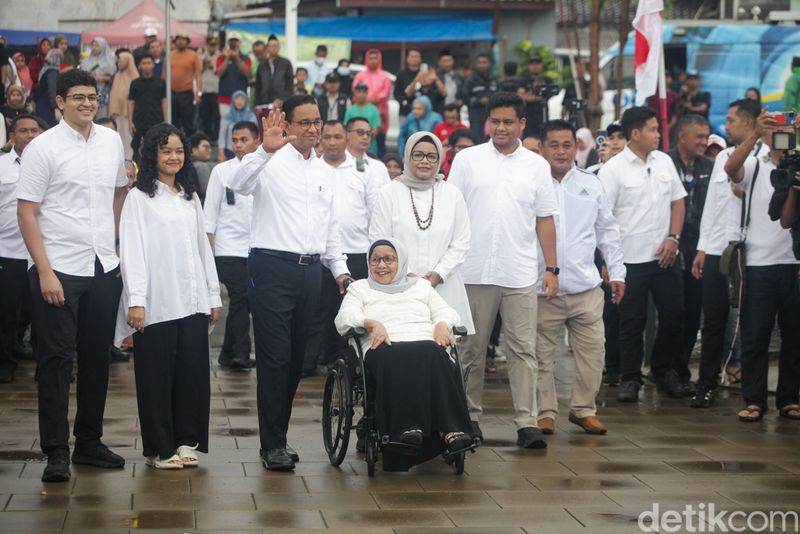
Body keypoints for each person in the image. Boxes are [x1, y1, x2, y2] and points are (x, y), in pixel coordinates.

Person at [16, 69, 129, 482]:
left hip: (103, 266)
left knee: (98, 358)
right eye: (78, 97)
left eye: (92, 96)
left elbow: (119, 191)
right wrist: (44, 271)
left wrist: (116, 245)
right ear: (60, 102)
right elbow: (27, 211)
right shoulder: (42, 148)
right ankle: (55, 450)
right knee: (56, 361)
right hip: (59, 266)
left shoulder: (111, 141)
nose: (87, 103)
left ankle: (88, 442)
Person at [228, 96, 350, 471]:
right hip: (271, 268)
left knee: (296, 361)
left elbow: (330, 228)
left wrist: (340, 269)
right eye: (304, 122)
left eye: (317, 122)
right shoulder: (269, 160)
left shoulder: (325, 171)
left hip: (310, 272)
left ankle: (278, 437)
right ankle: (271, 445)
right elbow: (238, 184)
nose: (313, 129)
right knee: (275, 358)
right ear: (289, 125)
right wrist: (264, 150)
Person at [449, 92, 559, 448]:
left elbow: (545, 219)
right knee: (471, 349)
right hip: (473, 270)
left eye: (508, 122)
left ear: (521, 124)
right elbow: (451, 211)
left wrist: (552, 267)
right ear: (487, 123)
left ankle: (527, 422)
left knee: (523, 350)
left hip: (519, 272)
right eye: (495, 121)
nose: (500, 128)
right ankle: (469, 417)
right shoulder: (467, 160)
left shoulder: (537, 165)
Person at [115, 122, 221, 469]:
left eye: (179, 151)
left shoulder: (190, 196)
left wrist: (212, 295)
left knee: (192, 374)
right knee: (156, 378)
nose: (174, 157)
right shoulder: (139, 198)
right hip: (157, 302)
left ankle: (187, 440)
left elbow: (203, 249)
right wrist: (136, 300)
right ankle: (161, 449)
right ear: (152, 155)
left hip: (192, 301)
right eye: (166, 151)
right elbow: (132, 251)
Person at [334, 237, 475, 470]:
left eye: (388, 259)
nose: (381, 265)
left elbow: (446, 311)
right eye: (375, 260)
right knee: (395, 356)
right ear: (368, 263)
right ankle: (405, 430)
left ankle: (451, 430)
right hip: (384, 345)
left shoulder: (421, 286)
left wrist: (442, 324)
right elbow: (343, 318)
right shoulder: (360, 288)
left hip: (424, 343)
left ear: (401, 262)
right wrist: (370, 323)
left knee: (436, 353)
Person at [534, 120, 625, 436]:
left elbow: (608, 231)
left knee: (593, 352)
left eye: (567, 145)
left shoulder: (591, 183)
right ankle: (544, 413)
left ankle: (584, 409)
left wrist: (617, 272)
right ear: (542, 148)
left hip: (585, 286)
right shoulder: (532, 183)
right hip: (541, 287)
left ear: (576, 147)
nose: (561, 151)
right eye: (554, 145)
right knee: (540, 356)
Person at [599, 106, 689, 403]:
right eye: (652, 129)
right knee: (631, 321)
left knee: (674, 314)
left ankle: (662, 369)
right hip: (628, 261)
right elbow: (603, 219)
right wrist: (607, 261)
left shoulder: (664, 161)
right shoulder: (613, 169)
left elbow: (678, 201)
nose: (658, 134)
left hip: (664, 257)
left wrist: (673, 238)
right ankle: (630, 377)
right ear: (635, 134)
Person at [724, 109, 800, 423]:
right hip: (758, 262)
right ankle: (754, 399)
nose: (782, 134)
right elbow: (731, 168)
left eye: (788, 129)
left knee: (795, 336)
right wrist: (754, 133)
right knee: (756, 334)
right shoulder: (755, 164)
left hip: (794, 262)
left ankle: (789, 398)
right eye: (774, 129)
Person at [690, 98, 766, 408]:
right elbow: (713, 206)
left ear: (748, 122)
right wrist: (702, 247)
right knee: (713, 320)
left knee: (751, 322)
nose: (727, 125)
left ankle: (752, 389)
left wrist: (747, 191)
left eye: (732, 120)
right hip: (718, 249)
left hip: (752, 252)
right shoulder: (723, 156)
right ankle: (706, 383)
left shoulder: (768, 155)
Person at [370, 129, 474, 340]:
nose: (425, 161)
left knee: (445, 350)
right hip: (397, 286)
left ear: (440, 159)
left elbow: (461, 243)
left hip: (444, 286)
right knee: (401, 344)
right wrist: (408, 275)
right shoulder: (388, 193)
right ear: (407, 156)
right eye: (418, 155)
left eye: (431, 156)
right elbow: (379, 239)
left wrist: (438, 274)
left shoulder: (452, 194)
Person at [304, 120, 377, 375]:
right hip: (319, 252)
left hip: (356, 251)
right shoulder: (312, 168)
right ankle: (309, 362)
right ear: (320, 139)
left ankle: (348, 363)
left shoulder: (363, 169)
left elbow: (373, 211)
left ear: (346, 138)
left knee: (350, 310)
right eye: (327, 137)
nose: (332, 142)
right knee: (317, 310)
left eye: (337, 137)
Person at [204, 121, 257, 370]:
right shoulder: (221, 171)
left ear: (256, 141)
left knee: (242, 301)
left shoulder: (265, 169)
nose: (238, 144)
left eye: (244, 139)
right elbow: (210, 214)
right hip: (228, 248)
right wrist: (207, 252)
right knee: (240, 296)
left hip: (256, 248)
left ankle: (228, 352)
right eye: (235, 140)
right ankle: (241, 353)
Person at [667, 114, 713, 389]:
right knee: (673, 310)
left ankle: (681, 370)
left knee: (693, 312)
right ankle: (665, 367)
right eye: (699, 137)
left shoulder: (710, 166)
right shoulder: (664, 163)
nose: (704, 142)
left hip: (699, 248)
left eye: (706, 137)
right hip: (669, 246)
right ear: (682, 136)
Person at [0, 114, 42, 384]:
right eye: (23, 131)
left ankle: (45, 366)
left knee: (42, 315)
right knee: (7, 312)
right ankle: (5, 363)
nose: (29, 135)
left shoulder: (51, 164)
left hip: (43, 254)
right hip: (8, 251)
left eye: (34, 130)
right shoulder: (1, 166)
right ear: (12, 136)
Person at [352, 49, 392, 157]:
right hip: (362, 111)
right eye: (370, 58)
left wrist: (375, 99)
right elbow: (355, 89)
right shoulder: (360, 76)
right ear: (366, 59)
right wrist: (368, 99)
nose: (373, 61)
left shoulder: (385, 77)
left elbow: (386, 92)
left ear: (379, 59)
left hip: (381, 112)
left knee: (380, 140)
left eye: (375, 58)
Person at [128, 54, 167, 161]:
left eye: (149, 63)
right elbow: (131, 102)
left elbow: (164, 101)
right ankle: (137, 168)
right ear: (140, 66)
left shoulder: (161, 82)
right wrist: (130, 121)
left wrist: (166, 120)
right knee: (136, 146)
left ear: (153, 64)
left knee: (157, 146)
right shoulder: (135, 83)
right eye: (144, 63)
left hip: (156, 120)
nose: (146, 66)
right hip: (139, 121)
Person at [344, 116, 391, 187]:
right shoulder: (336, 163)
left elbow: (388, 193)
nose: (365, 137)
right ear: (347, 134)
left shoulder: (379, 167)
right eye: (360, 132)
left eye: (368, 133)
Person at [170, 33, 202, 135]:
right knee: (173, 123)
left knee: (188, 122)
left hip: (187, 94)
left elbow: (198, 75)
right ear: (175, 41)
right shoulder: (170, 55)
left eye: (183, 39)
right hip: (172, 93)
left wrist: (198, 93)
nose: (181, 41)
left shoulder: (193, 55)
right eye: (178, 39)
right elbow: (164, 75)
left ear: (187, 41)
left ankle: (189, 142)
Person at [109, 50, 138, 160]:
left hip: (129, 115)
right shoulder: (117, 75)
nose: (118, 63)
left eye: (120, 60)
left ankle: (129, 160)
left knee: (128, 138)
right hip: (117, 114)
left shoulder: (134, 77)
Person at [216, 31, 251, 118]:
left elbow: (246, 73)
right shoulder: (221, 58)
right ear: (228, 43)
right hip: (225, 99)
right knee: (226, 122)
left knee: (241, 124)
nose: (233, 43)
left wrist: (236, 57)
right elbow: (219, 73)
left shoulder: (246, 58)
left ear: (240, 43)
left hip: (241, 99)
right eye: (231, 41)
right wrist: (227, 57)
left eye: (236, 41)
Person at [462, 54, 497, 140]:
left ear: (489, 63)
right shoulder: (470, 80)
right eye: (480, 63)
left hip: (492, 116)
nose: (482, 65)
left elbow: (499, 94)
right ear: (476, 64)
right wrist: (479, 101)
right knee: (477, 140)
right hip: (476, 117)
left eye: (485, 62)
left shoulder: (493, 79)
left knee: (493, 140)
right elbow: (465, 98)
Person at [81, 38, 116, 120]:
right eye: (92, 45)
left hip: (104, 94)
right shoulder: (86, 62)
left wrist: (104, 78)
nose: (93, 48)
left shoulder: (110, 62)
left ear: (103, 47)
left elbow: (115, 78)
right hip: (89, 92)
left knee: (102, 118)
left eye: (97, 46)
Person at [255, 34, 294, 108]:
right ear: (267, 48)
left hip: (281, 104)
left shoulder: (286, 63)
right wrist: (257, 105)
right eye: (271, 46)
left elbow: (290, 86)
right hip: (264, 104)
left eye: (275, 46)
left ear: (279, 48)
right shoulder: (262, 65)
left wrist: (283, 100)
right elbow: (258, 87)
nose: (273, 48)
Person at [218, 90, 256, 162]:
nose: (239, 101)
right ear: (233, 101)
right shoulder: (227, 117)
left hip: (248, 151)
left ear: (245, 101)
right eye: (237, 98)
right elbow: (222, 135)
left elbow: (255, 135)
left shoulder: (251, 116)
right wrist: (221, 153)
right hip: (230, 151)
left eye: (242, 98)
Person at [522, 55, 555, 138]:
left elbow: (552, 94)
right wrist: (534, 90)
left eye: (537, 64)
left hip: (544, 115)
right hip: (528, 118)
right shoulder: (524, 80)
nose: (535, 66)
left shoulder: (547, 80)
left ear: (541, 65)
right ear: (529, 66)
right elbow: (521, 97)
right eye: (532, 64)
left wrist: (532, 97)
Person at [344, 83, 380, 155]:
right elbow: (346, 130)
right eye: (359, 92)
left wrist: (365, 141)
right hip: (353, 149)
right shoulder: (350, 110)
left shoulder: (374, 109)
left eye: (364, 92)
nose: (361, 94)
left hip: (370, 149)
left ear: (367, 93)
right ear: (355, 93)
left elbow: (375, 130)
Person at [199, 36, 221, 141]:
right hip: (204, 91)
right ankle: (206, 137)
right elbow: (197, 71)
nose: (213, 47)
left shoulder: (220, 56)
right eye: (211, 44)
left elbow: (221, 72)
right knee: (205, 116)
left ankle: (216, 137)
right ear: (207, 45)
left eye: (214, 45)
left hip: (216, 90)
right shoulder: (201, 56)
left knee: (216, 116)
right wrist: (204, 63)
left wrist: (213, 66)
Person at [34, 49, 62, 128]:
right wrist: (55, 108)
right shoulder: (53, 72)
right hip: (48, 108)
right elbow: (52, 90)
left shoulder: (45, 70)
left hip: (41, 106)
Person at [431, 50, 464, 115]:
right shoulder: (434, 76)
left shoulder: (458, 76)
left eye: (449, 60)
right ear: (439, 62)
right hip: (439, 110)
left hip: (456, 111)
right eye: (444, 61)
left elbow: (464, 92)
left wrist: (462, 101)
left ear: (453, 61)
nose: (447, 64)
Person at [394, 49, 423, 120]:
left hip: (423, 112)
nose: (414, 59)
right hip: (405, 112)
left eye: (417, 56)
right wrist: (404, 102)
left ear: (420, 59)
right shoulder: (401, 74)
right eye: (412, 56)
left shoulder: (424, 74)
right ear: (407, 59)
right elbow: (396, 93)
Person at [189, 132, 214, 200]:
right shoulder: (201, 166)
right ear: (194, 149)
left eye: (210, 147)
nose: (209, 150)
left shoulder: (186, 164)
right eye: (206, 147)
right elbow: (209, 192)